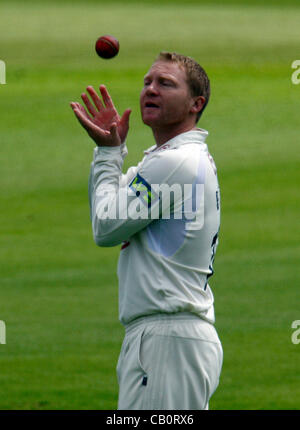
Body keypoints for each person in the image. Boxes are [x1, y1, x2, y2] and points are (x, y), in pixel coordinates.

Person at [70, 52, 223, 410]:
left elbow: (106, 226)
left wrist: (108, 154)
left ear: (195, 104)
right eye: (147, 82)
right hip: (168, 338)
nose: (150, 89)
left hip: (168, 339)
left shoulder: (175, 162)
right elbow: (110, 210)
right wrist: (113, 149)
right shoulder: (166, 159)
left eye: (166, 84)